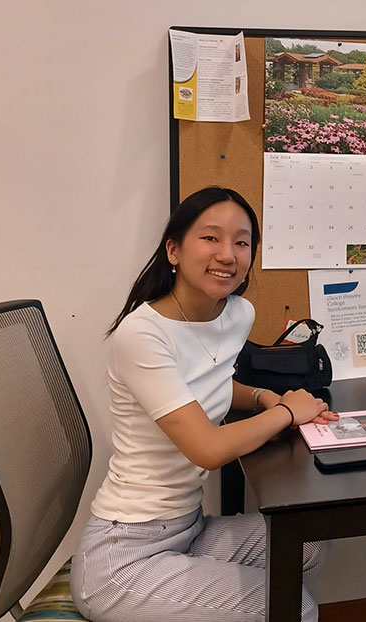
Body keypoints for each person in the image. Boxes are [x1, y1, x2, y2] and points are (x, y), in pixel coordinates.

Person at [71, 187, 338, 622]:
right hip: (123, 555)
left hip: (187, 528)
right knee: (296, 608)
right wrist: (287, 412)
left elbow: (210, 382)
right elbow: (207, 449)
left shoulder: (236, 314)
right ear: (173, 250)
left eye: (241, 241)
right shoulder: (143, 334)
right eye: (210, 238)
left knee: (308, 543)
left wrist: (263, 397)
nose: (227, 254)